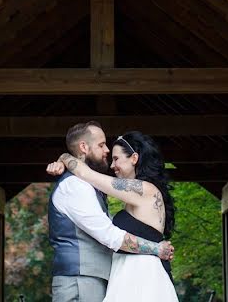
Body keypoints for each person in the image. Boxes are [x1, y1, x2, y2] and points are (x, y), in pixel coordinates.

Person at [48, 121, 175, 302]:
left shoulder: (144, 189)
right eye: (102, 145)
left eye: (116, 158)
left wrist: (65, 158)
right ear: (84, 147)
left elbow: (89, 175)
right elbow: (109, 234)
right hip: (118, 275)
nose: (110, 161)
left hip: (142, 274)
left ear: (134, 158)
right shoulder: (77, 186)